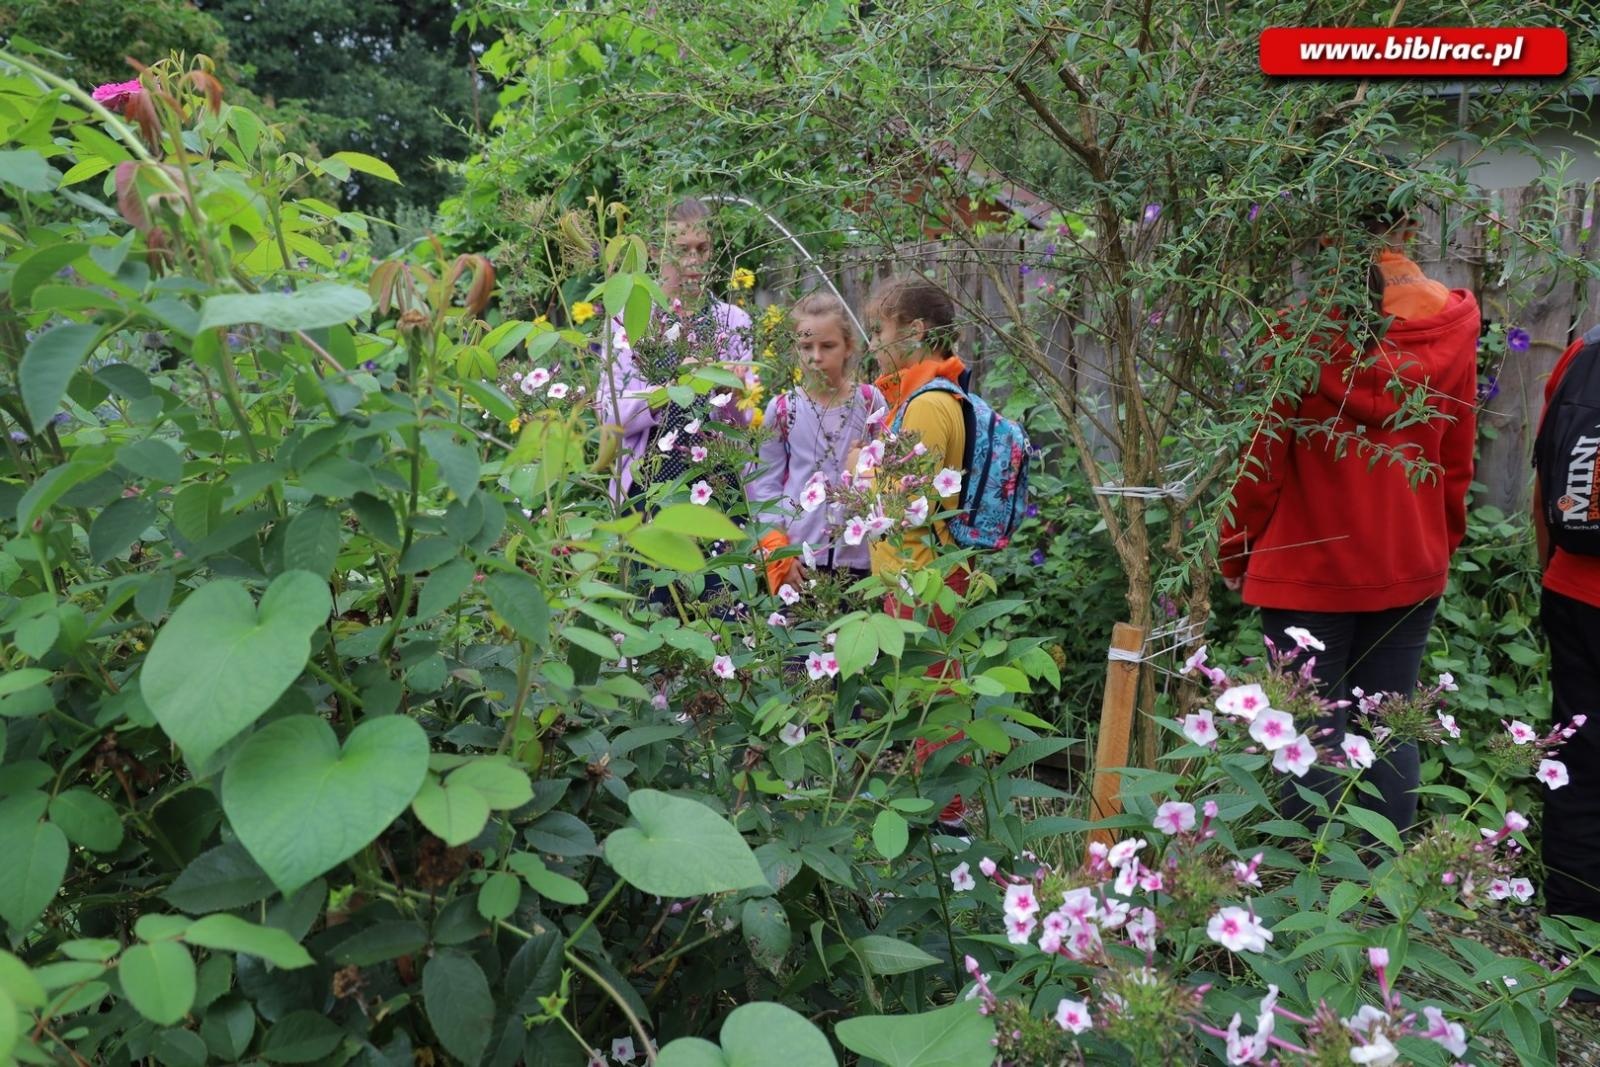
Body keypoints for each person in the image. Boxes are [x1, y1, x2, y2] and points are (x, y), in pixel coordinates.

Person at [1218, 196, 1480, 833]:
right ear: (1410, 227)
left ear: (1325, 229)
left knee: (1305, 731)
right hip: (1408, 558)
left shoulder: (1299, 333)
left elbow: (1262, 459)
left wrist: (1235, 547)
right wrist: (1438, 544)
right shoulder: (1451, 327)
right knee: (1390, 728)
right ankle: (1383, 879)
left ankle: (1304, 878)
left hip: (1305, 565)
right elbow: (1456, 455)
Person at [593, 197, 754, 509]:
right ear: (656, 251)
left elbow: (744, 421)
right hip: (647, 487)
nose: (694, 261)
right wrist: (671, 391)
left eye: (702, 249)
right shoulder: (630, 318)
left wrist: (732, 393)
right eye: (682, 250)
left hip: (720, 485)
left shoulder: (734, 321)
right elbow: (608, 412)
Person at [857, 275, 971, 663]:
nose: (871, 344)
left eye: (878, 331)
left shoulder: (927, 403)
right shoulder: (928, 395)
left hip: (923, 581)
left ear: (915, 331)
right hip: (917, 577)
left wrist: (858, 467)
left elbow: (904, 502)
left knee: (929, 693)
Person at [1532, 323, 1600, 954]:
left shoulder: (1588, 350)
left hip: (1575, 589)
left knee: (1578, 767)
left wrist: (1550, 570)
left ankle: (1574, 945)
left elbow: (1547, 477)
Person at [746, 291, 886, 593]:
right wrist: (780, 554)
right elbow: (765, 488)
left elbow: (888, 474)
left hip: (862, 558)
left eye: (828, 346)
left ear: (848, 346)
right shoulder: (783, 409)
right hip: (799, 561)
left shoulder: (869, 402)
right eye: (806, 347)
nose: (816, 357)